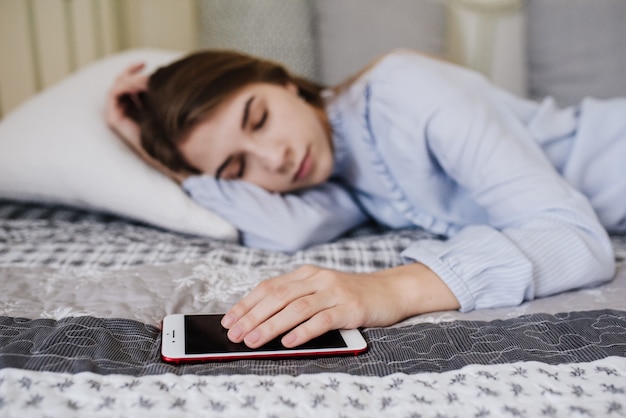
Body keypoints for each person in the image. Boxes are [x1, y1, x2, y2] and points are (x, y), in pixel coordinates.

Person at [106, 49, 625, 350]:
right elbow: (286, 231)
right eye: (238, 168)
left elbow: (576, 240)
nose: (276, 158)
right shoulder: (334, 179)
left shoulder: (405, 90)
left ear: (284, 81)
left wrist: (390, 289)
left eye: (258, 118)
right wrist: (156, 156)